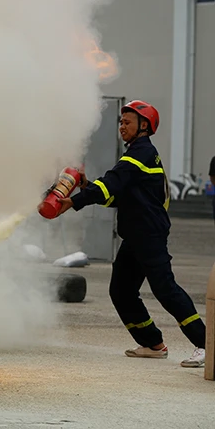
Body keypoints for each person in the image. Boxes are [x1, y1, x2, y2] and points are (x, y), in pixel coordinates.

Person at [55, 100, 206, 368]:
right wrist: (88, 186)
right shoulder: (136, 156)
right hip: (135, 237)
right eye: (120, 122)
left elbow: (112, 181)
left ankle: (206, 344)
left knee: (166, 290)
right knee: (121, 291)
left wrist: (75, 201)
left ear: (144, 126)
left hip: (149, 236)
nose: (121, 127)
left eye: (127, 122)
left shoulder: (142, 153)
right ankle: (152, 343)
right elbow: (115, 195)